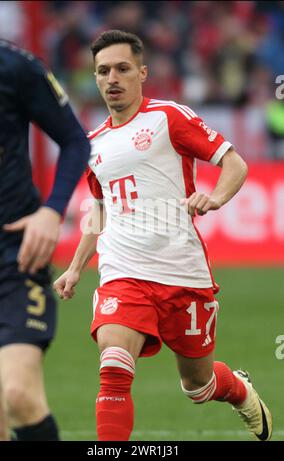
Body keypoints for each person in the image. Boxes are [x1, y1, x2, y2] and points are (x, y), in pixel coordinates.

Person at [53, 29, 272, 441]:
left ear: (142, 73)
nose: (112, 78)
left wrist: (215, 197)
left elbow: (235, 164)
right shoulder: (92, 144)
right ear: (95, 79)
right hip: (122, 271)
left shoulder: (168, 117)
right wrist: (75, 268)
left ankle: (238, 388)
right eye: (103, 71)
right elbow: (98, 209)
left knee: (198, 386)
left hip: (181, 271)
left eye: (122, 68)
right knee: (114, 368)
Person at [0, 33, 90, 441]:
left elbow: (74, 141)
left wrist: (51, 210)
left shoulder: (13, 66)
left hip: (14, 259)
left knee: (20, 395)